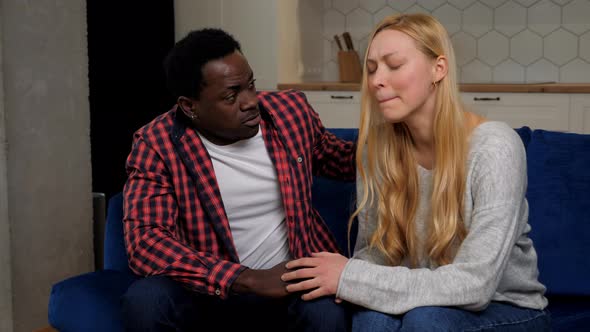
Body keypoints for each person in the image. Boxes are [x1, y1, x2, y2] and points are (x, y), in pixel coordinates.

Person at [282, 13, 551, 331]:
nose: (376, 80)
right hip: (420, 302)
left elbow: (475, 285)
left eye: (394, 65)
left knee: (426, 320)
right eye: (371, 69)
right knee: (371, 319)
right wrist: (352, 282)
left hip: (507, 307)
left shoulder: (495, 147)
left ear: (438, 69)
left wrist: (349, 276)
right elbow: (374, 254)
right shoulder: (376, 149)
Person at [120, 28, 355, 331]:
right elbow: (145, 242)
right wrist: (246, 279)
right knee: (145, 301)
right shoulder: (157, 144)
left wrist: (409, 135)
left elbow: (339, 160)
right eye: (232, 95)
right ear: (190, 106)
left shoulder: (289, 113)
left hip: (291, 284)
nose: (250, 102)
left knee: (326, 311)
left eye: (251, 85)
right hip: (209, 293)